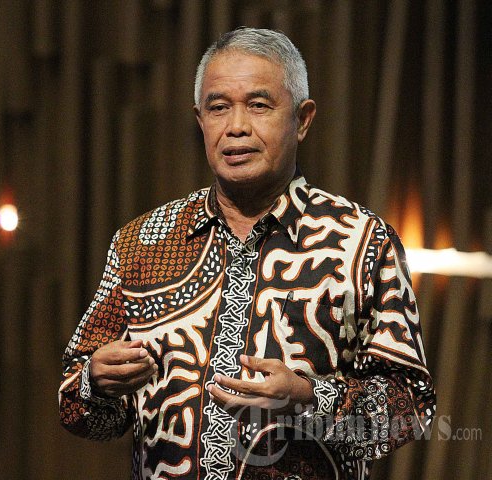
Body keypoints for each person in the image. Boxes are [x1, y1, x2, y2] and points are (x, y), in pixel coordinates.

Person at [59, 27, 435, 480]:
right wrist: (95, 383)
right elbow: (77, 408)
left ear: (302, 119)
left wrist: (308, 398)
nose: (236, 126)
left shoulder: (363, 242)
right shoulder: (141, 242)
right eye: (218, 107)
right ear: (200, 120)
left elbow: (410, 410)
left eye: (258, 105)